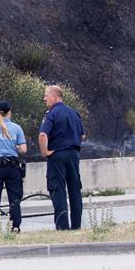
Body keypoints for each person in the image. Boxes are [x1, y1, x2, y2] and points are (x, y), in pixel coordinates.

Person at [38, 85, 87, 230]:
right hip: (73, 155)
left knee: (58, 190)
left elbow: (42, 135)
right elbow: (82, 135)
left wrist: (45, 152)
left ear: (54, 96)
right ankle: (76, 226)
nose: (44, 98)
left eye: (46, 95)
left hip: (57, 155)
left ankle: (62, 227)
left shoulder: (51, 114)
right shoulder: (74, 113)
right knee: (74, 190)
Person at [0, 100, 27, 234]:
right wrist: (14, 146)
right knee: (14, 199)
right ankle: (15, 228)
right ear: (9, 112)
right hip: (12, 166)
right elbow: (23, 150)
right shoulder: (17, 128)